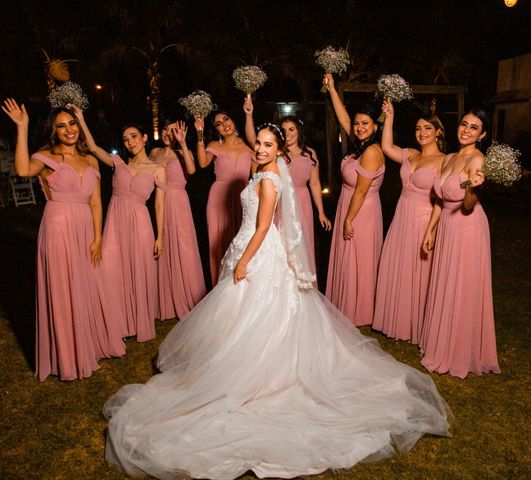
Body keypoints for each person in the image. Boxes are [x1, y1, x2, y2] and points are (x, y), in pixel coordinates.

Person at [103, 124, 451, 480]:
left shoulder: (269, 181)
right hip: (247, 244)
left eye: (269, 145)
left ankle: (259, 376)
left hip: (258, 252)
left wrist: (243, 261)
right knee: (237, 316)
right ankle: (236, 367)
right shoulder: (259, 172)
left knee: (256, 312)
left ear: (278, 150)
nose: (261, 148)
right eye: (259, 143)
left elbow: (264, 226)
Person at [2, 98, 124, 381]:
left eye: (72, 123)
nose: (69, 130)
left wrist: (97, 238)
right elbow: (21, 170)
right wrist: (22, 127)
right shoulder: (46, 158)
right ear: (53, 131)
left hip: (84, 228)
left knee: (86, 285)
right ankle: (69, 357)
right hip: (57, 228)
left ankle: (90, 345)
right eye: (61, 126)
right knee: (62, 287)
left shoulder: (91, 159)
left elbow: (96, 203)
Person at [419, 109, 501, 379]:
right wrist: (431, 230)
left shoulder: (478, 160)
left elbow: (468, 205)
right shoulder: (451, 157)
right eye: (464, 124)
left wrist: (472, 189)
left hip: (468, 228)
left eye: (474, 127)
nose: (466, 130)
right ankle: (441, 341)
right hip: (447, 226)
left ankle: (458, 350)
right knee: (445, 281)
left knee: (462, 285)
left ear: (483, 134)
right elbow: (440, 200)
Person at [74, 108, 166, 343]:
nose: (129, 142)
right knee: (111, 269)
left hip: (141, 225)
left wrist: (160, 236)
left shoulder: (158, 170)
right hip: (115, 224)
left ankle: (139, 322)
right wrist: (82, 119)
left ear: (144, 138)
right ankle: (116, 321)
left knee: (139, 270)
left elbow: (159, 206)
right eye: (125, 139)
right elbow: (93, 147)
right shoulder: (117, 163)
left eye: (134, 136)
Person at [372, 100, 446, 343]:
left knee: (420, 271)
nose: (422, 133)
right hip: (401, 217)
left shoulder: (445, 161)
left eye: (427, 128)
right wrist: (390, 116)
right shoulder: (411, 155)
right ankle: (397, 319)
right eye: (418, 128)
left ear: (438, 132)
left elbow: (445, 197)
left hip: (423, 220)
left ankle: (417, 325)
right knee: (398, 265)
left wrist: (433, 229)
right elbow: (385, 146)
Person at [243, 95, 331, 277]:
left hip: (304, 202)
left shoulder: (310, 154)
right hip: (279, 201)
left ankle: (303, 281)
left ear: (299, 131)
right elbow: (255, 142)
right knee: (281, 244)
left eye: (292, 129)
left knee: (302, 243)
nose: (289, 133)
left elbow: (314, 183)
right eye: (285, 130)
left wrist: (321, 212)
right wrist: (249, 116)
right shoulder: (277, 153)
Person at [323, 73, 385, 326]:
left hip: (360, 210)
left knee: (359, 258)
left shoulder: (371, 151)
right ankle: (346, 302)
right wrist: (332, 89)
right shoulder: (361, 144)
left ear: (375, 126)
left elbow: (360, 190)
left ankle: (360, 310)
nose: (359, 127)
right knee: (349, 258)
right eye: (358, 123)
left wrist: (349, 219)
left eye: (365, 124)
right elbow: (344, 118)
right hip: (349, 204)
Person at [149, 119, 205, 320]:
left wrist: (182, 143)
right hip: (158, 203)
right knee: (161, 247)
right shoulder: (154, 153)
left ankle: (188, 296)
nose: (167, 134)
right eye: (165, 129)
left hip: (179, 204)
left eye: (173, 131)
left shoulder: (183, 153)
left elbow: (192, 170)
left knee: (183, 248)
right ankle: (165, 301)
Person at [194, 110, 253, 287]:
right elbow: (203, 162)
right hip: (218, 199)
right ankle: (220, 287)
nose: (224, 124)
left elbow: (258, 171)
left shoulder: (247, 145)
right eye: (218, 123)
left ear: (234, 120)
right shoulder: (214, 145)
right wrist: (199, 134)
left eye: (226, 119)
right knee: (219, 243)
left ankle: (242, 286)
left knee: (242, 240)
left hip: (243, 196)